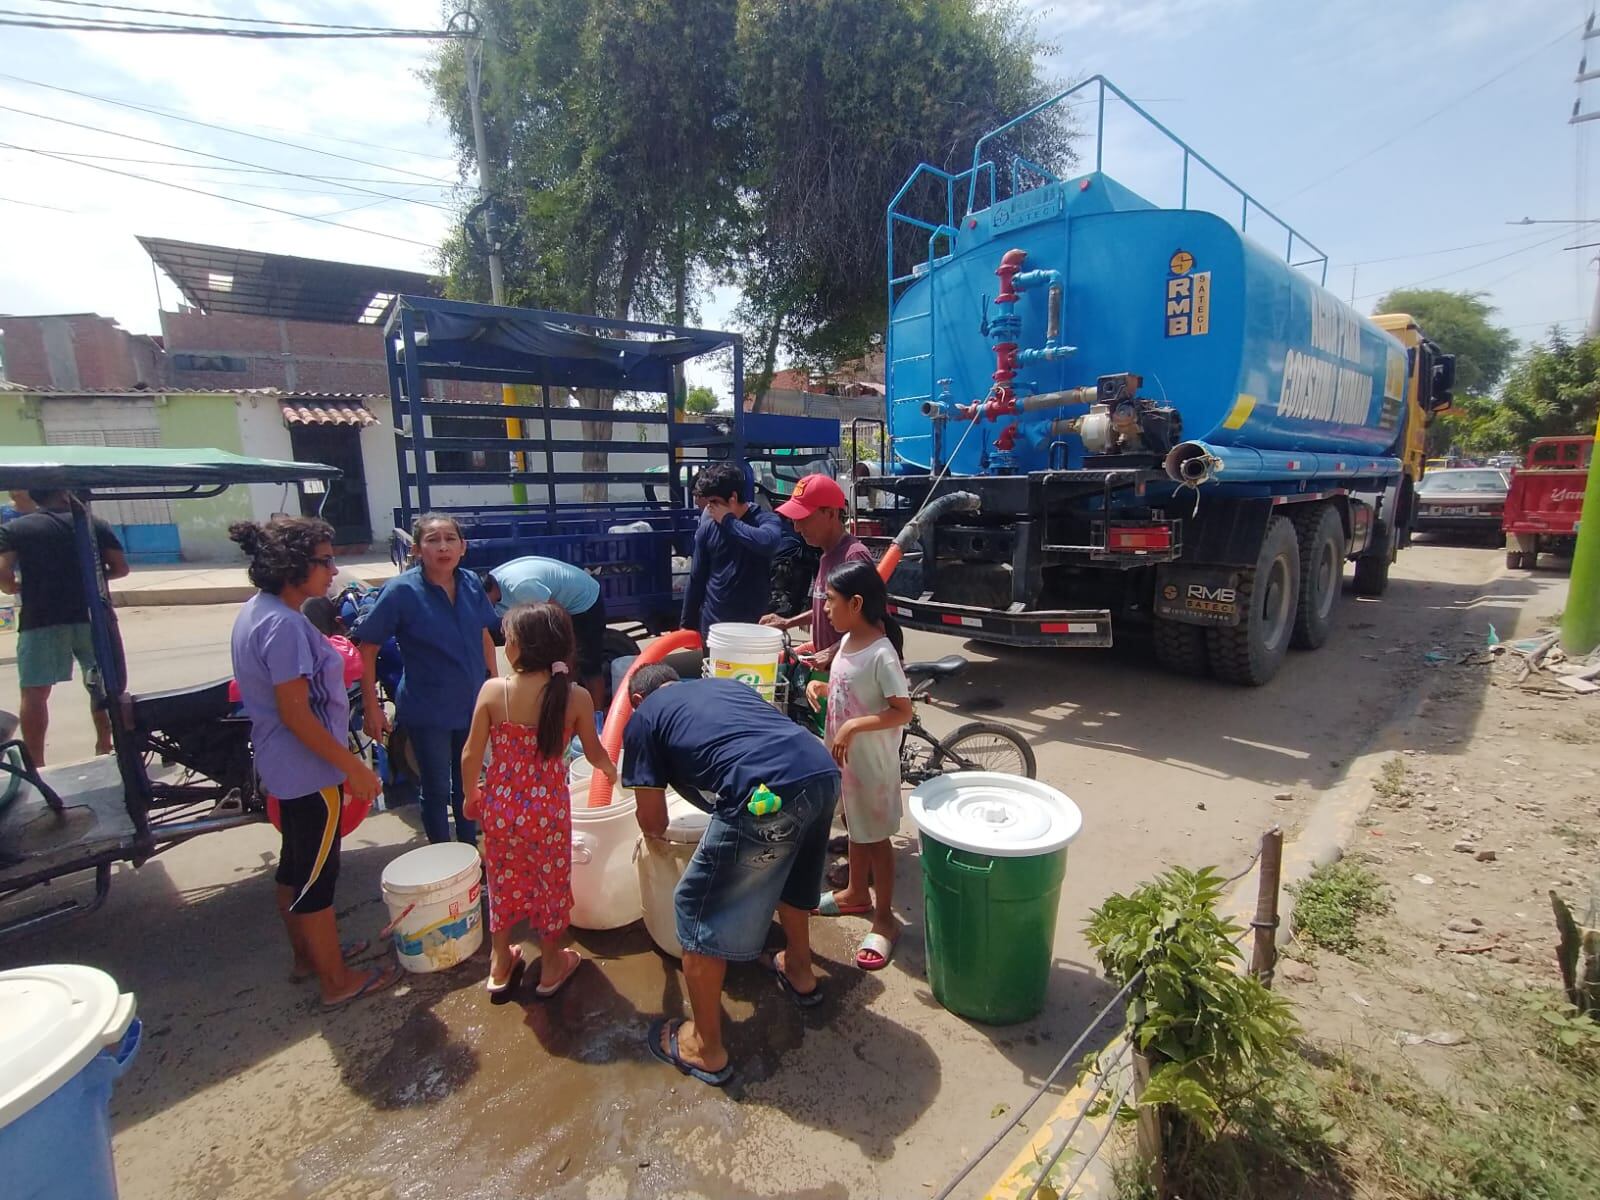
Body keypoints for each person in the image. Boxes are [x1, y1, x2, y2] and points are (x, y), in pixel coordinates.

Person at [623, 665, 839, 1086]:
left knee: (694, 905)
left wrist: (656, 844)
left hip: (764, 794)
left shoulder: (644, 718)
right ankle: (799, 969)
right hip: (820, 770)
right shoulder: (720, 688)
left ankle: (705, 1047)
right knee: (792, 874)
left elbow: (653, 818)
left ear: (636, 700)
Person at [228, 517, 399, 1008]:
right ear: (292, 564)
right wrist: (353, 767)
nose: (333, 570)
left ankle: (309, 958)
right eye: (324, 560)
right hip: (310, 773)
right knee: (316, 879)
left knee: (295, 867)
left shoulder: (260, 612)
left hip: (284, 768)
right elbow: (297, 715)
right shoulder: (282, 626)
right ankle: (336, 981)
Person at [461, 602, 618, 1002]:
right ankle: (551, 966)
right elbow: (596, 755)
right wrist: (616, 775)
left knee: (502, 882)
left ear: (519, 648)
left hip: (500, 811)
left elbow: (470, 755)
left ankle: (500, 963)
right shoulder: (576, 696)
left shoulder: (494, 691)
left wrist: (471, 795)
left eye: (507, 639)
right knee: (550, 885)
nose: (504, 644)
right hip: (547, 814)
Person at [354, 513, 499, 846]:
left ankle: (467, 850)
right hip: (427, 709)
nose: (443, 546)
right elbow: (367, 648)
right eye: (433, 540)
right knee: (435, 789)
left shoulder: (470, 583)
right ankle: (442, 856)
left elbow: (483, 636)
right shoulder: (401, 591)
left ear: (463, 547)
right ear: (418, 550)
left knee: (467, 785)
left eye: (450, 539)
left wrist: (495, 685)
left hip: (471, 705)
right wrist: (372, 707)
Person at [805, 560, 913, 971]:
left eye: (831, 601)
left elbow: (902, 711)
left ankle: (885, 920)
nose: (825, 608)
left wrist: (852, 725)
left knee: (876, 838)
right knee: (856, 828)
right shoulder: (849, 641)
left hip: (873, 767)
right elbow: (849, 685)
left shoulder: (881, 652)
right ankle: (854, 893)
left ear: (856, 602)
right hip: (848, 762)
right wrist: (822, 686)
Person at [0, 489, 130, 765]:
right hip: (91, 615)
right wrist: (89, 577)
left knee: (35, 692)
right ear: (64, 494)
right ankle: (105, 747)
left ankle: (37, 763)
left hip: (41, 618)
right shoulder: (94, 524)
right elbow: (120, 568)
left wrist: (14, 586)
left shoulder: (16, 528)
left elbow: (3, 572)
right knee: (104, 687)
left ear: (35, 497)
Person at [761, 473, 876, 669]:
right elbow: (828, 609)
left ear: (831, 513)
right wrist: (787, 622)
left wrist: (832, 652)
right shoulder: (826, 556)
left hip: (854, 672)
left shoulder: (853, 556)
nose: (796, 528)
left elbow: (872, 623)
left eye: (803, 518)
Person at [481, 556, 608, 708]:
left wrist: (568, 649)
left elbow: (559, 614)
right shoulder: (493, 594)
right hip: (557, 606)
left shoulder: (521, 587)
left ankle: (597, 718)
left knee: (588, 664)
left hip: (583, 601)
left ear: (489, 592)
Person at [680, 461, 783, 640]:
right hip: (715, 629)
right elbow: (697, 578)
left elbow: (767, 542)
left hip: (753, 629)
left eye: (715, 502)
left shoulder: (764, 520)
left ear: (733, 498)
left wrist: (729, 521)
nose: (710, 508)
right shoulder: (708, 529)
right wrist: (687, 623)